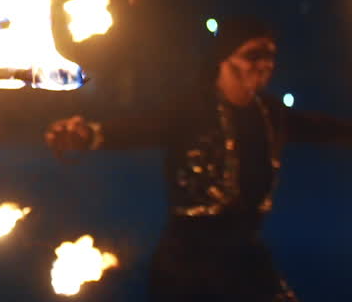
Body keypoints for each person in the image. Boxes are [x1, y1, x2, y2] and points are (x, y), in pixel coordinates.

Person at [44, 15, 352, 301]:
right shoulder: (191, 110)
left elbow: (318, 127)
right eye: (253, 55)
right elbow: (139, 127)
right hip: (188, 261)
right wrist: (85, 134)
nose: (263, 65)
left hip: (245, 255)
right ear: (225, 59)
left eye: (269, 56)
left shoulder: (269, 114)